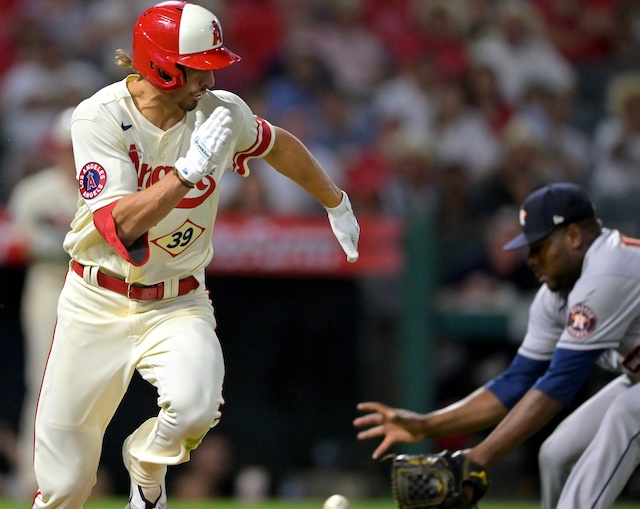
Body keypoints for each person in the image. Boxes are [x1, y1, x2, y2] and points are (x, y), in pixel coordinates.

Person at [32, 2, 360, 508]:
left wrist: (334, 200)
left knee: (194, 408)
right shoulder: (99, 116)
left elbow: (278, 145)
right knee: (65, 487)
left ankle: (146, 471)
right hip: (95, 301)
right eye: (198, 68)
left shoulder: (221, 112)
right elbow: (120, 223)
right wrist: (185, 174)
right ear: (162, 65)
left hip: (176, 302)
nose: (207, 80)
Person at [354, 182, 640, 508]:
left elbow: (560, 382)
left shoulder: (610, 268)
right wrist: (426, 424)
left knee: (625, 415)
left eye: (539, 246)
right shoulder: (553, 297)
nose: (530, 259)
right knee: (556, 452)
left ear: (573, 237)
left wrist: (479, 460)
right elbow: (516, 382)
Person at [6, 107, 79, 498]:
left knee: (87, 387)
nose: (73, 154)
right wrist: (80, 242)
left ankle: (72, 475)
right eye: (67, 148)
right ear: (55, 149)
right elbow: (27, 243)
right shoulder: (36, 190)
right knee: (44, 380)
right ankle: (32, 478)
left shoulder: (107, 186)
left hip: (97, 293)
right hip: (50, 290)